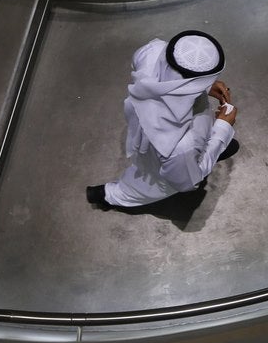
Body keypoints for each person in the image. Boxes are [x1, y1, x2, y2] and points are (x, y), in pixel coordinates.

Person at [87, 31, 241, 210]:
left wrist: (204, 87)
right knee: (148, 187)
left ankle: (209, 149)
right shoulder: (180, 146)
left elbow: (167, 79)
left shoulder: (152, 51)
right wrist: (222, 129)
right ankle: (105, 195)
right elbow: (185, 182)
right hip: (168, 164)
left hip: (153, 131)